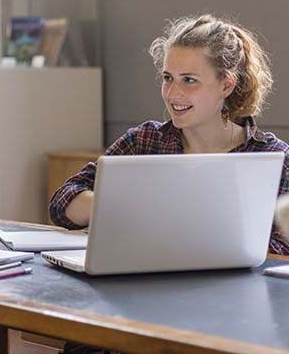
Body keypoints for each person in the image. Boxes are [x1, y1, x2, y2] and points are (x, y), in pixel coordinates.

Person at [49, 14, 289, 255]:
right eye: (168, 78)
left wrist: (193, 234)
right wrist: (126, 208)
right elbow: (62, 203)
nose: (173, 93)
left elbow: (283, 248)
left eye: (189, 80)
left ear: (226, 85)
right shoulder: (145, 141)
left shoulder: (273, 156)